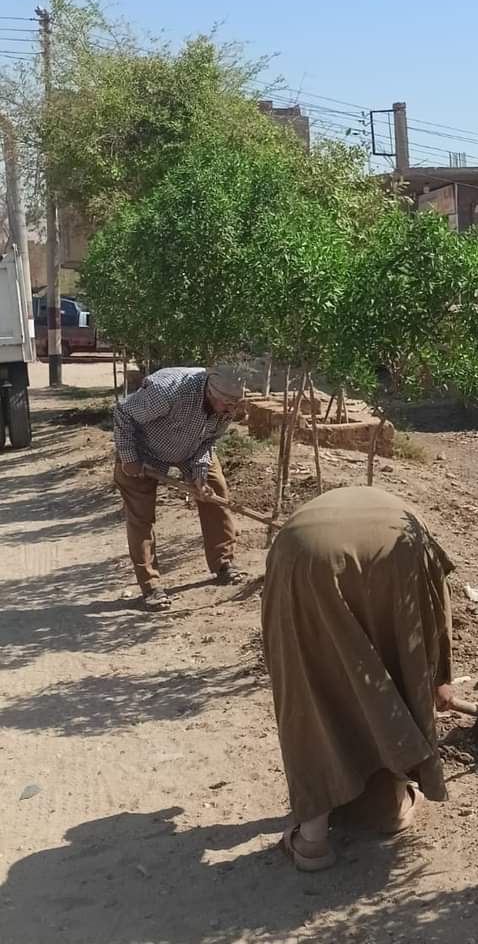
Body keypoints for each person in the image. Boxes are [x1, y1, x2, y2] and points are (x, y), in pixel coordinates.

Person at [261, 485, 455, 872]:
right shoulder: (416, 531)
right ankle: (392, 807)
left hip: (300, 554)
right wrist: (439, 679)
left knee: (309, 686)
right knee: (397, 669)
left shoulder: (396, 517)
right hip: (395, 551)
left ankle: (312, 839)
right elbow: (435, 615)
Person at [113, 365, 246, 610]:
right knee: (141, 516)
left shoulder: (228, 405)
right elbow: (124, 413)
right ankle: (151, 587)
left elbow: (208, 441)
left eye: (234, 405)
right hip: (142, 450)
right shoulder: (169, 390)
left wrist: (199, 475)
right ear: (210, 392)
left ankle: (224, 563)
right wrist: (129, 458)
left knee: (215, 494)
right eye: (226, 404)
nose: (230, 411)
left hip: (191, 450)